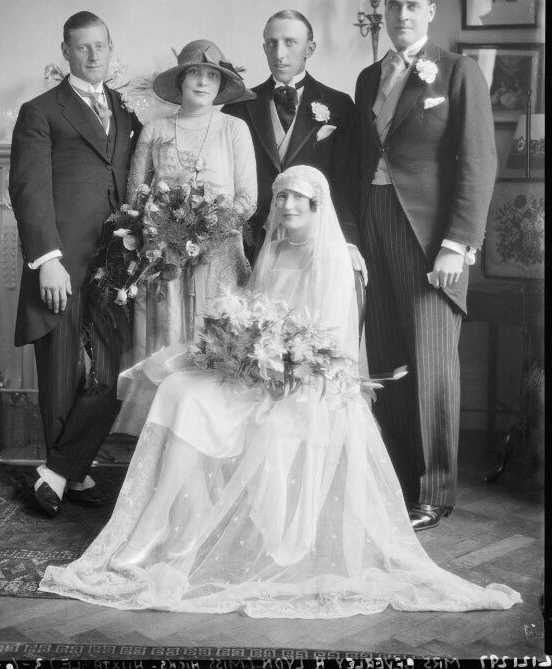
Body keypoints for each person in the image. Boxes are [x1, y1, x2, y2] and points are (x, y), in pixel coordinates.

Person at [39, 166, 519, 619]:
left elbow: (329, 342)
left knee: (200, 400)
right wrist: (236, 342)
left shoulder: (331, 257)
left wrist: (276, 357)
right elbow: (254, 308)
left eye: (298, 198)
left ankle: (167, 524)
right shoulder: (274, 249)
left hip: (302, 380)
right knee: (178, 389)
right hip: (258, 368)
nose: (287, 205)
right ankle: (169, 516)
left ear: (316, 206)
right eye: (282, 196)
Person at [354, 0, 497, 531]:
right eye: (393, 6)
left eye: (413, 5)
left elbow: (478, 162)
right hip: (375, 222)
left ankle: (434, 492)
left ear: (431, 10)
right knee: (387, 356)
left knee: (433, 361)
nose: (402, 16)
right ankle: (398, 482)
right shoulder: (369, 77)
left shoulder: (458, 72)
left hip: (430, 236)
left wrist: (456, 245)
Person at [9, 11, 143, 517]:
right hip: (60, 263)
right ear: (65, 52)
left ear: (111, 48)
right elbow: (28, 189)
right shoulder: (41, 110)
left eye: (100, 46)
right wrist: (47, 260)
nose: (92, 55)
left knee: (114, 373)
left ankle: (57, 472)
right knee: (62, 372)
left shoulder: (125, 110)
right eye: (82, 47)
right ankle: (73, 472)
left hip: (114, 264)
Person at [111, 40, 257, 435]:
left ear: (221, 85)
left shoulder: (234, 129)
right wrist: (164, 231)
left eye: (212, 76)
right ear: (181, 80)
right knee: (168, 338)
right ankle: (160, 435)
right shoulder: (156, 130)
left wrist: (208, 230)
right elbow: (135, 195)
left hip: (220, 256)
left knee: (215, 338)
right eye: (195, 73)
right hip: (166, 258)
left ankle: (212, 436)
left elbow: (247, 198)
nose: (203, 82)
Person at [222, 9, 366, 289]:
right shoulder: (238, 108)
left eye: (290, 42)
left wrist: (349, 240)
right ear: (264, 47)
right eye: (272, 43)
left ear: (309, 48)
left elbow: (347, 182)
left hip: (315, 240)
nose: (279, 53)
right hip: (251, 244)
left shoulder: (339, 105)